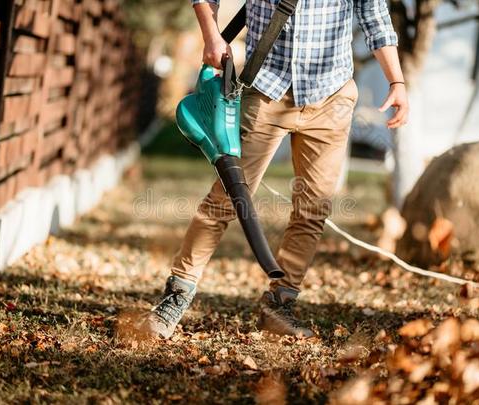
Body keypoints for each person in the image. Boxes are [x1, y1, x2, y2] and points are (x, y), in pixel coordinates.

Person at [143, 0, 409, 339]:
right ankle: (176, 296)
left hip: (332, 95)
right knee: (227, 198)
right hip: (268, 89)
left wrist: (396, 82)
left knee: (312, 209)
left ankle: (279, 305)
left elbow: (374, 15)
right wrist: (212, 37)